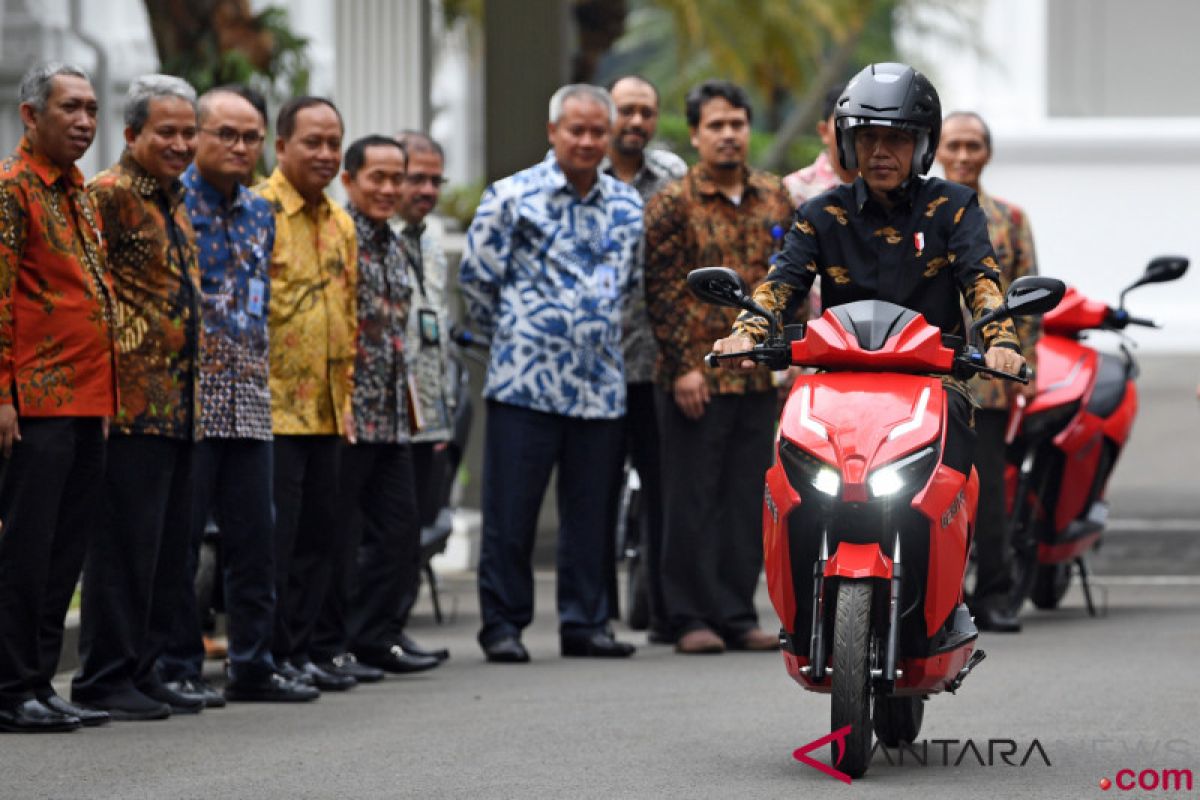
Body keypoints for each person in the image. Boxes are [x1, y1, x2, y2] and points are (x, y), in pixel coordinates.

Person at [712, 65, 1026, 623]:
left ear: (922, 145)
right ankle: (798, 614)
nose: (882, 151)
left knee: (957, 476)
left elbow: (982, 280)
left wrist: (1001, 340)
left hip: (933, 382)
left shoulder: (954, 208)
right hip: (836, 387)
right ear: (849, 143)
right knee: (790, 476)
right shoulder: (818, 213)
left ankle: (945, 607)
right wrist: (749, 331)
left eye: (898, 138)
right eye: (869, 138)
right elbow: (780, 284)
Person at [459, 84, 643, 663]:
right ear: (552, 132)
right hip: (525, 381)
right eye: (576, 130)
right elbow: (476, 280)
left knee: (591, 514)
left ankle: (585, 623)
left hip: (599, 384)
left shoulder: (627, 205)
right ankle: (503, 626)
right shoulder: (511, 197)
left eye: (597, 132)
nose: (587, 141)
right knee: (511, 512)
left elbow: (633, 285)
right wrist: (519, 336)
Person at [157, 87, 318, 703]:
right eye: (226, 134)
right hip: (188, 399)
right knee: (183, 540)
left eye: (251, 137)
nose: (241, 146)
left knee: (257, 540)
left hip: (251, 395)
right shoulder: (172, 205)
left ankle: (253, 662)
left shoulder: (260, 213)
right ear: (195, 136)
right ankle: (176, 665)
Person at [71, 74, 207, 720]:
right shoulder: (109, 196)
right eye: (167, 132)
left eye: (189, 132)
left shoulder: (175, 200)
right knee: (123, 549)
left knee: (165, 550)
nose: (181, 143)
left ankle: (145, 669)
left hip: (179, 406)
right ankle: (104, 675)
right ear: (131, 135)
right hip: (127, 406)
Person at [643, 80, 793, 655]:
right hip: (695, 378)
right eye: (715, 125)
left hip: (757, 376)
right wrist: (684, 365)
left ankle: (735, 612)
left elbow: (789, 283)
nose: (728, 134)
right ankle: (687, 617)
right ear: (696, 134)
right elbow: (660, 291)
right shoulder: (672, 202)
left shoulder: (776, 196)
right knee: (690, 499)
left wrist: (787, 359)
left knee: (744, 500)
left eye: (737, 123)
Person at [0, 63, 117, 733]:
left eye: (92, 108)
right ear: (30, 115)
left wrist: (104, 403)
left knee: (61, 553)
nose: (84, 121)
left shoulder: (77, 193)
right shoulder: (12, 189)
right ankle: (11, 687)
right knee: (24, 551)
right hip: (34, 403)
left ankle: (40, 682)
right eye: (70, 107)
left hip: (85, 401)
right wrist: (3, 398)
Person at [310, 135, 438, 677]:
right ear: (350, 179)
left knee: (400, 529)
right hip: (345, 413)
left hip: (391, 413)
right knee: (337, 538)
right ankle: (329, 644)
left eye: (397, 178)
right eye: (377, 178)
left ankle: (377, 635)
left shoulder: (396, 242)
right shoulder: (340, 235)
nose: (390, 189)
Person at [255, 96, 359, 692]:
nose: (324, 154)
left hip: (327, 408)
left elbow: (347, 314)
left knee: (320, 539)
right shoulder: (258, 211)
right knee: (276, 543)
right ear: (282, 146)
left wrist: (344, 402)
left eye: (333, 143)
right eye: (312, 142)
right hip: (273, 408)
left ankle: (301, 652)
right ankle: (267, 655)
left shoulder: (340, 223)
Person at [936, 110, 1040, 632]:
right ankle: (934, 597)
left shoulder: (1009, 219)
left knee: (989, 492)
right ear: (935, 149)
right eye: (953, 144)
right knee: (934, 490)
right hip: (929, 376)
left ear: (987, 152)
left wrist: (1026, 367)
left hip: (990, 379)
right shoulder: (921, 214)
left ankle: (995, 594)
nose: (962, 155)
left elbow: (1028, 300)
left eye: (972, 145)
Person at [600, 75, 686, 643]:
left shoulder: (675, 177)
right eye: (626, 110)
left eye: (646, 111)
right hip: (598, 368)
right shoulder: (579, 173)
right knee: (598, 490)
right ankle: (596, 615)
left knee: (664, 489)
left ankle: (664, 610)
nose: (636, 121)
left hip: (660, 363)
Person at [384, 130, 455, 664]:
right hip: (384, 411)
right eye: (416, 178)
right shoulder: (374, 234)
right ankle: (368, 633)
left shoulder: (429, 240)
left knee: (410, 529)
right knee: (382, 530)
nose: (426, 189)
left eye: (435, 179)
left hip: (428, 411)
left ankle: (393, 626)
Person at [781, 83, 857, 207]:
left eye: (862, 124)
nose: (853, 132)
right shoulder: (793, 190)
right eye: (845, 122)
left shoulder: (885, 189)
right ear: (824, 131)